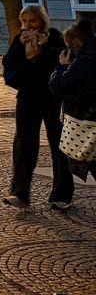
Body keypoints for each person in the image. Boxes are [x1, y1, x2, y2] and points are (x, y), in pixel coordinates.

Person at [1, 5, 72, 209]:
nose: (28, 26)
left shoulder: (55, 38)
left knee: (59, 144)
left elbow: (64, 64)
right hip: (28, 97)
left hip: (53, 98)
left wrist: (48, 47)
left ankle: (62, 194)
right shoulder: (18, 40)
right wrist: (18, 48)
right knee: (23, 144)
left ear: (42, 20)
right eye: (24, 21)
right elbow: (9, 65)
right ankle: (20, 193)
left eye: (32, 21)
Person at [50, 19, 96, 191]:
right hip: (88, 119)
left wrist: (62, 67)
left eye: (68, 46)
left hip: (85, 122)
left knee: (88, 159)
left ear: (75, 43)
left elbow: (59, 87)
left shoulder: (86, 58)